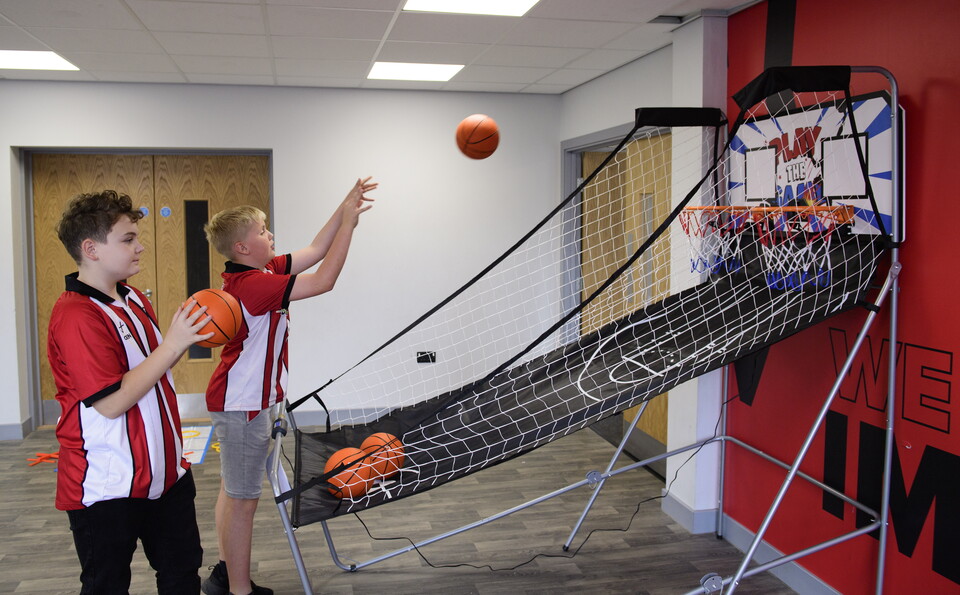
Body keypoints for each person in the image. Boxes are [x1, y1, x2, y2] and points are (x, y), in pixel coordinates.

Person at [201, 177, 377, 595]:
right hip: (242, 404)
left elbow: (315, 250)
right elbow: (323, 279)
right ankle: (238, 589)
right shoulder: (255, 286)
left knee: (234, 490)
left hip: (247, 401)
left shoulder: (261, 270)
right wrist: (350, 226)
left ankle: (226, 573)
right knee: (243, 499)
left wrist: (344, 206)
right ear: (242, 247)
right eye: (262, 231)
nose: (271, 234)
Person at [48, 190, 213, 594]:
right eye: (128, 239)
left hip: (168, 473)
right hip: (107, 485)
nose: (140, 247)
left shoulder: (134, 296)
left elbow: (150, 371)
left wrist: (178, 340)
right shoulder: (76, 315)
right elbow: (112, 402)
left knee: (181, 574)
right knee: (107, 584)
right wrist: (174, 344)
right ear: (91, 249)